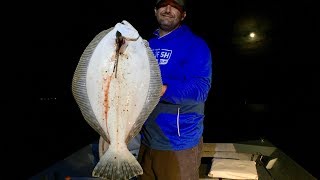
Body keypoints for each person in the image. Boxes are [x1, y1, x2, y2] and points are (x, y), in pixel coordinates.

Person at [138, 0, 213, 179]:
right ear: (155, 10)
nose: (168, 9)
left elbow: (201, 88)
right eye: (163, 4)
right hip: (146, 137)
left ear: (183, 15)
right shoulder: (146, 45)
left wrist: (163, 89)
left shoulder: (195, 45)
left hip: (178, 143)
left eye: (175, 7)